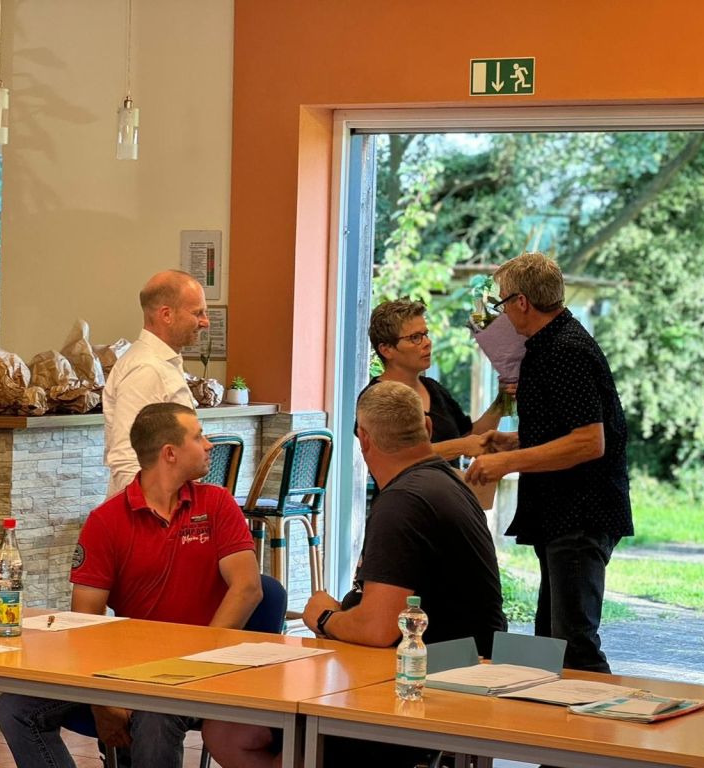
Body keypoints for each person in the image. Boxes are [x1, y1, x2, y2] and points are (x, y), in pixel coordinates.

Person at [203, 380, 507, 768]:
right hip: (457, 671)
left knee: (241, 734)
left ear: (364, 440)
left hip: (427, 688)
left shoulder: (403, 501)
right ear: (429, 428)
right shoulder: (445, 483)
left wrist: (324, 617)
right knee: (232, 730)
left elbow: (379, 629)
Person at [0, 403, 262, 768]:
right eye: (198, 436)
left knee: (154, 713)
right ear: (170, 453)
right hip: (126, 669)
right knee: (15, 707)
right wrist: (101, 699)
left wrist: (197, 664)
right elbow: (84, 621)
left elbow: (248, 588)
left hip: (207, 666)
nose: (209, 445)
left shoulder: (217, 504)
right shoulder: (106, 521)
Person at [465, 251, 632, 673]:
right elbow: (567, 428)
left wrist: (507, 462)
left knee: (574, 647)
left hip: (579, 513)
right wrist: (514, 440)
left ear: (522, 301)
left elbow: (589, 442)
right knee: (552, 642)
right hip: (562, 513)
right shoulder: (549, 345)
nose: (502, 313)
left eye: (503, 302)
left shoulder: (566, 350)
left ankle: (600, 714)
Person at [103, 270, 209, 497]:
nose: (205, 322)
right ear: (166, 314)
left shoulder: (164, 363)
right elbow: (128, 457)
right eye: (197, 313)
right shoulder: (146, 369)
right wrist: (151, 512)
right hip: (149, 513)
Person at [365, 298, 507, 461]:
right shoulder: (374, 399)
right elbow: (398, 458)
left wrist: (501, 403)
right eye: (415, 337)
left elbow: (471, 437)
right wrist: (461, 446)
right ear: (386, 350)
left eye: (425, 335)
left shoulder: (433, 388)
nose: (427, 343)